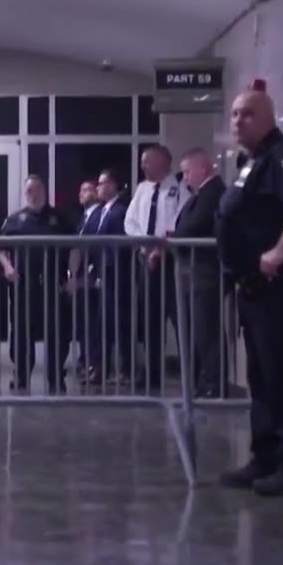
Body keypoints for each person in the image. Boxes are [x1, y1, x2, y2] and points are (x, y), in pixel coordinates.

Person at [216, 82, 283, 497]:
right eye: (234, 114)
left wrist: (279, 252)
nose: (238, 121)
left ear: (268, 117)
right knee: (262, 376)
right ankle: (266, 457)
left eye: (247, 113)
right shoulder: (251, 163)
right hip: (255, 289)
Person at [0, 175, 76, 394]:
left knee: (57, 333)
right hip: (24, 286)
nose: (34, 193)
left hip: (54, 285)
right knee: (22, 333)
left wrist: (72, 275)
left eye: (38, 189)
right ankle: (22, 376)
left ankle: (55, 377)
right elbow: (1, 249)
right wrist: (7, 267)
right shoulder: (14, 219)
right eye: (30, 190)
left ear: (44, 190)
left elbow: (75, 248)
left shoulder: (60, 218)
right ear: (25, 193)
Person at [123, 144, 190, 389]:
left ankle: (189, 375)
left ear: (164, 161)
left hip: (171, 261)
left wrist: (160, 248)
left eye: (147, 161)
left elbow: (180, 220)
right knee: (150, 320)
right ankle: (151, 374)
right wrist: (145, 246)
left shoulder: (180, 187)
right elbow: (130, 222)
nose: (142, 166)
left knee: (179, 317)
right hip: (145, 261)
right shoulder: (142, 189)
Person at [172, 148, 228, 399]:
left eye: (186, 172)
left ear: (203, 168)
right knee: (197, 330)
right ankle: (206, 379)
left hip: (204, 271)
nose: (184, 178)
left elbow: (193, 226)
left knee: (207, 330)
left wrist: (176, 237)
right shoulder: (200, 195)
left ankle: (215, 383)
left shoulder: (213, 193)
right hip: (194, 271)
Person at [68, 169, 131, 386]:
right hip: (99, 274)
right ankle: (99, 368)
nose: (98, 188)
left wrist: (103, 269)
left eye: (102, 184)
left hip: (113, 275)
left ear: (113, 185)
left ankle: (124, 369)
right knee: (100, 323)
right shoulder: (103, 212)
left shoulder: (119, 211)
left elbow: (116, 245)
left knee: (116, 323)